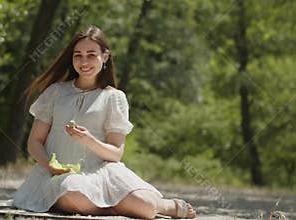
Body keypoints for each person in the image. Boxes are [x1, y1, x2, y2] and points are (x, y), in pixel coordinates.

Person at [12, 25, 196, 219]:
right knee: (72, 192)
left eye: (91, 55)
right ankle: (118, 208)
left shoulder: (114, 98)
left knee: (146, 206)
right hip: (57, 174)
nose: (84, 61)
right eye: (78, 55)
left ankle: (166, 205)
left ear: (105, 57)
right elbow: (34, 142)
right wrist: (50, 166)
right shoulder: (55, 92)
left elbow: (116, 153)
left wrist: (89, 140)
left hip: (102, 173)